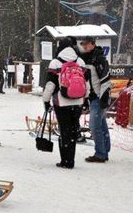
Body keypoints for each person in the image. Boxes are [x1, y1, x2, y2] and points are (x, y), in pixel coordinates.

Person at [42, 36, 88, 169]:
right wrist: (85, 99)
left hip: (61, 102)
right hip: (77, 101)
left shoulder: (55, 63)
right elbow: (86, 83)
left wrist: (46, 100)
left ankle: (64, 160)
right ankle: (71, 160)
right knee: (73, 131)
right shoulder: (80, 61)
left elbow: (50, 85)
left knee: (64, 131)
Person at [79, 37, 112, 163]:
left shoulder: (99, 58)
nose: (84, 46)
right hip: (93, 97)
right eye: (82, 44)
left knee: (94, 126)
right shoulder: (87, 58)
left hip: (98, 96)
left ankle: (100, 153)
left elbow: (105, 79)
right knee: (101, 125)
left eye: (86, 44)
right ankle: (105, 151)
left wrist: (103, 96)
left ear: (93, 44)